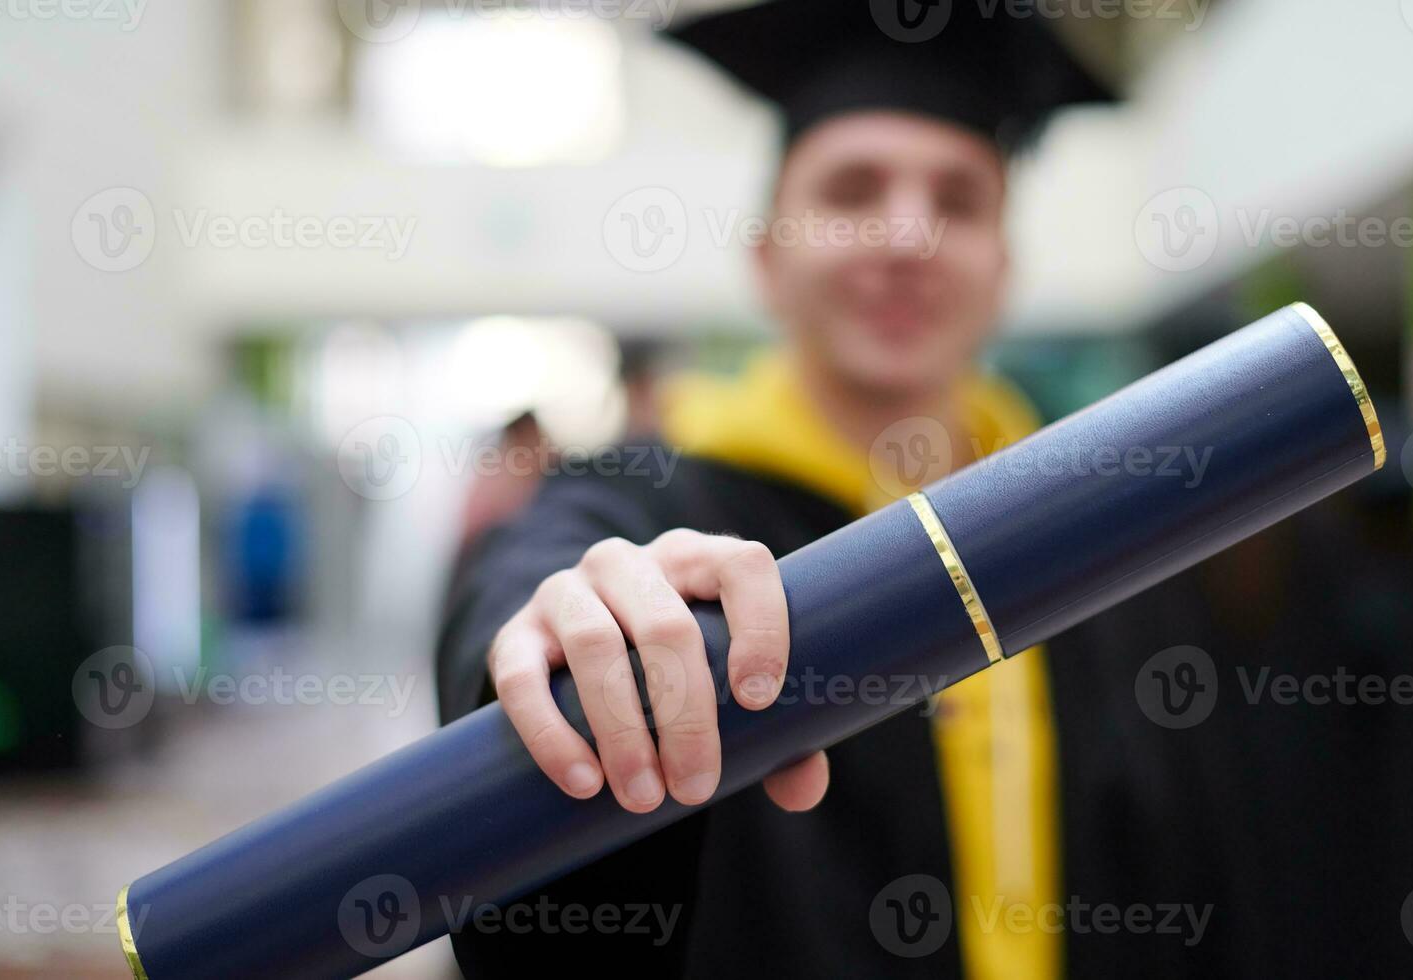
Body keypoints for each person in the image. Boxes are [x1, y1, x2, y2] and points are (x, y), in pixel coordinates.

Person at [434, 3, 1111, 976]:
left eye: (959, 199)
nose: (909, 235)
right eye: (852, 189)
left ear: (1002, 267)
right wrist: (565, 635)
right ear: (766, 253)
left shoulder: (1096, 525)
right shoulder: (650, 505)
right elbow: (527, 590)